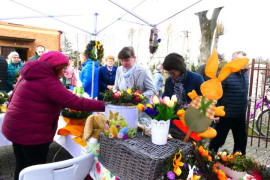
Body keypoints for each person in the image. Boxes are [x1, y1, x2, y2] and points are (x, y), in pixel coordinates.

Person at [2, 51, 105, 180]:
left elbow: (12, 98)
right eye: (63, 67)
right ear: (54, 67)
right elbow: (76, 102)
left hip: (14, 128)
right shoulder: (49, 82)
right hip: (32, 134)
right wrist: (106, 105)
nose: (64, 71)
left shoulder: (27, 74)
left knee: (22, 165)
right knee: (36, 171)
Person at [209, 51, 248, 155]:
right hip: (225, 116)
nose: (242, 64)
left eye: (244, 61)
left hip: (239, 116)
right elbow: (216, 95)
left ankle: (238, 165)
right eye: (239, 61)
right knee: (217, 141)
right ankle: (208, 161)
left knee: (241, 142)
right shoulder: (224, 75)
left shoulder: (245, 75)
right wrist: (216, 114)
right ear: (232, 61)